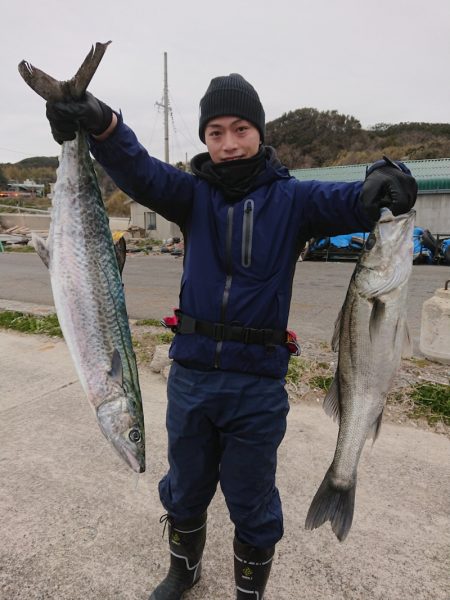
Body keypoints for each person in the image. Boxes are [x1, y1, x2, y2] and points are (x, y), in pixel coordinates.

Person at [46, 73, 417, 600]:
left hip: (257, 387)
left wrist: (390, 178)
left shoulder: (295, 201)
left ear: (259, 133)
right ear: (204, 139)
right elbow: (138, 168)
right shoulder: (189, 195)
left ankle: (250, 590)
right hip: (192, 377)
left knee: (252, 498)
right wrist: (100, 122)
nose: (228, 142)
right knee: (185, 488)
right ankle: (183, 570)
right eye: (215, 132)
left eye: (240, 128)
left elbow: (355, 200)